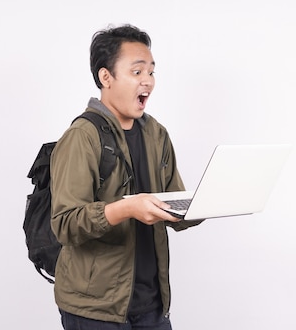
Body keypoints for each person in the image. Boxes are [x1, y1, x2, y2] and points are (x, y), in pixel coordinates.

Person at [49, 24, 202, 329]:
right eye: (137, 72)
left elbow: (175, 207)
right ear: (106, 77)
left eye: (152, 72)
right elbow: (65, 224)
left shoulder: (156, 133)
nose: (148, 81)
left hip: (152, 304)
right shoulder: (82, 136)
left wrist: (210, 203)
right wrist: (126, 208)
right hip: (95, 309)